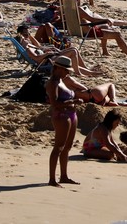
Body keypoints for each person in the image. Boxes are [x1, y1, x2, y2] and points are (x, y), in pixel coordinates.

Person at [46, 56, 79, 186]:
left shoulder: (61, 81)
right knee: (59, 147)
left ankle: (64, 176)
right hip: (62, 115)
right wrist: (73, 101)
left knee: (67, 147)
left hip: (70, 114)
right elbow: (54, 104)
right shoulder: (53, 82)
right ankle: (52, 179)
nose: (68, 72)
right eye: (66, 70)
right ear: (58, 68)